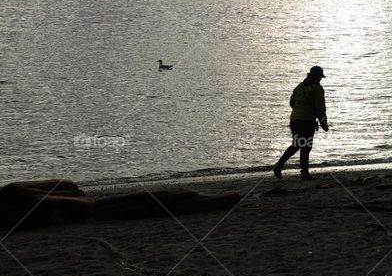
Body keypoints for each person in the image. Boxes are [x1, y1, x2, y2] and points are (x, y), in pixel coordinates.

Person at [0, 180, 240, 231]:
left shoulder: (10, 209)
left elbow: (68, 188)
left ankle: (211, 200)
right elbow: (69, 188)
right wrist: (81, 203)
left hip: (90, 213)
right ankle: (216, 200)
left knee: (158, 203)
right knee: (158, 202)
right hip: (94, 210)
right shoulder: (11, 195)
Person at [273, 65, 329, 180]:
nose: (320, 79)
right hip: (306, 121)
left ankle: (281, 165)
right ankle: (302, 173)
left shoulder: (299, 86)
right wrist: (324, 124)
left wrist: (299, 111)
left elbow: (292, 102)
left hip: (294, 120)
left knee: (297, 144)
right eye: (320, 77)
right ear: (317, 77)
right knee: (305, 146)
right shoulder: (317, 89)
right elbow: (320, 108)